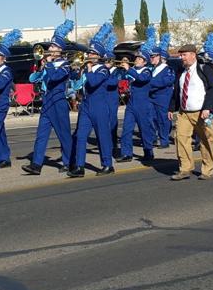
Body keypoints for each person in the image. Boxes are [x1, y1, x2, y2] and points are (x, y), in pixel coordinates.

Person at [22, 20, 75, 175]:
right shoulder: (47, 63)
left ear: (59, 50)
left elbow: (56, 78)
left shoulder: (65, 65)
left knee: (64, 134)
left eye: (52, 47)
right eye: (50, 46)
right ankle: (36, 164)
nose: (49, 49)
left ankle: (68, 162)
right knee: (41, 134)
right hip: (47, 102)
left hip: (58, 101)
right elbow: (33, 79)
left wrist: (49, 65)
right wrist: (41, 68)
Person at [68, 24, 115, 177]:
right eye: (89, 52)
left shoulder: (103, 69)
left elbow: (94, 82)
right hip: (86, 106)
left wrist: (87, 69)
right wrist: (77, 71)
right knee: (80, 136)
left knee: (103, 136)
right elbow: (75, 82)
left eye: (92, 53)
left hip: (100, 106)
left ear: (98, 55)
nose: (89, 55)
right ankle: (79, 166)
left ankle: (107, 164)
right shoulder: (86, 68)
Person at [168, 44, 213, 180]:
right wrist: (171, 107)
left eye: (184, 55)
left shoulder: (204, 69)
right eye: (181, 55)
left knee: (206, 140)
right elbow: (177, 91)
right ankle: (185, 169)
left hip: (202, 111)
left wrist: (207, 107)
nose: (182, 58)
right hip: (184, 112)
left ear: (193, 55)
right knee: (181, 138)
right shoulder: (181, 71)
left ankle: (207, 170)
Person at [117, 26, 157, 163]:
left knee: (144, 130)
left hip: (143, 104)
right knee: (126, 129)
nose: (137, 60)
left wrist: (129, 70)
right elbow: (124, 82)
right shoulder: (132, 70)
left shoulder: (147, 71)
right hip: (132, 103)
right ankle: (126, 153)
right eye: (137, 58)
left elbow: (141, 80)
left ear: (144, 61)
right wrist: (122, 71)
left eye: (139, 59)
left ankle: (148, 151)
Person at [0, 29, 22, 169]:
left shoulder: (6, 71)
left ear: (4, 58)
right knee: (0, 132)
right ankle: (5, 157)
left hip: (1, 104)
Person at [148, 32, 175, 149]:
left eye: (153, 57)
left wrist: (150, 83)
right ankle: (154, 138)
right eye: (151, 57)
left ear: (159, 57)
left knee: (163, 120)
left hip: (163, 98)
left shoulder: (167, 69)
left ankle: (164, 141)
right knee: (152, 119)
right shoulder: (151, 69)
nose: (151, 59)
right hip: (152, 98)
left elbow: (167, 81)